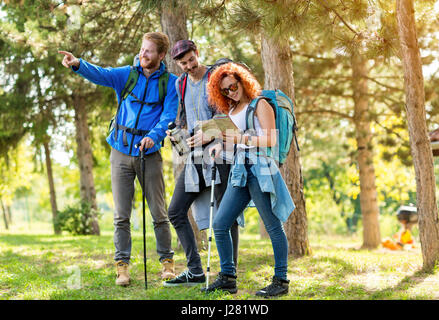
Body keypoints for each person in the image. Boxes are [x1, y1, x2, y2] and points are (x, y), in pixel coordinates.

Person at [59, 32, 178, 286]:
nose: (143, 54)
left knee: (158, 212)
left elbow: (169, 115)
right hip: (120, 152)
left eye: (148, 51)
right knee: (121, 215)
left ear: (161, 55)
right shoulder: (127, 74)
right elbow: (101, 74)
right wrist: (78, 64)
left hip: (150, 154)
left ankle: (167, 264)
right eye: (142, 49)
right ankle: (122, 267)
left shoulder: (171, 83)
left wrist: (154, 136)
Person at [202, 62, 295, 297]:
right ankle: (228, 278)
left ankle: (281, 281)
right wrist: (219, 148)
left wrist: (240, 137)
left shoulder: (260, 104)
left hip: (259, 170)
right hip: (240, 170)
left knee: (273, 226)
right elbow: (233, 143)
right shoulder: (231, 111)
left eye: (233, 86)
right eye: (224, 91)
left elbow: (270, 140)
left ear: (243, 81)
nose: (230, 92)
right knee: (221, 224)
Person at [163, 40, 241, 287]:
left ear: (197, 53)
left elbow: (232, 116)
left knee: (225, 212)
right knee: (175, 211)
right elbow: (187, 119)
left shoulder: (215, 76)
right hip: (195, 156)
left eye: (191, 60)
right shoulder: (180, 83)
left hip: (221, 153)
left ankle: (229, 273)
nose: (188, 66)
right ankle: (195, 270)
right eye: (183, 63)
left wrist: (209, 132)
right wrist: (178, 134)